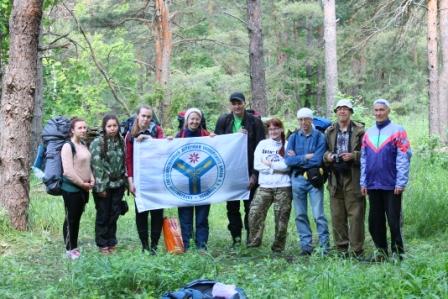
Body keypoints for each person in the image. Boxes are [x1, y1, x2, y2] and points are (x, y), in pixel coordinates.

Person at [361, 99, 411, 261]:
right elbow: (363, 158)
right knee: (375, 222)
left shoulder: (398, 131)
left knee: (393, 220)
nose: (378, 113)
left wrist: (401, 182)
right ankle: (381, 253)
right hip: (373, 184)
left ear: (388, 111)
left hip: (391, 184)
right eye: (376, 110)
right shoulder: (368, 133)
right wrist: (363, 181)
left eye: (382, 110)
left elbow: (404, 156)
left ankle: (398, 253)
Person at [214, 92, 265, 246]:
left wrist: (255, 175)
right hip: (230, 172)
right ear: (230, 105)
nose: (236, 106)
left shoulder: (255, 122)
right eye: (233, 103)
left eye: (239, 103)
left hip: (249, 171)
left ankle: (251, 238)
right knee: (232, 208)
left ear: (244, 104)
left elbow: (260, 149)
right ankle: (236, 238)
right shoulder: (224, 120)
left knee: (251, 208)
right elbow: (218, 144)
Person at [285, 108, 329, 256]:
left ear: (311, 120)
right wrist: (306, 157)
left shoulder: (319, 137)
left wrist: (299, 158)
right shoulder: (293, 138)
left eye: (306, 119)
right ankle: (306, 247)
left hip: (313, 179)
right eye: (300, 119)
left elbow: (317, 159)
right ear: (298, 121)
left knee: (319, 215)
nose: (304, 122)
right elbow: (288, 161)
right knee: (300, 215)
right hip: (297, 180)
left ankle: (324, 247)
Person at [324, 99, 365, 258]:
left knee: (356, 215)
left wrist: (353, 156)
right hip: (335, 177)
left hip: (353, 176)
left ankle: (357, 251)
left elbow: (369, 154)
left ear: (351, 112)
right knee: (337, 215)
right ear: (336, 112)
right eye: (339, 109)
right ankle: (341, 250)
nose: (342, 111)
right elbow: (323, 152)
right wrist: (329, 156)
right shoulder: (329, 131)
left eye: (346, 109)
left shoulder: (360, 131)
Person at [247, 118, 292, 253]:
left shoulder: (288, 144)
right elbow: (257, 165)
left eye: (276, 128)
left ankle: (278, 248)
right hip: (265, 186)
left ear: (281, 129)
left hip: (283, 186)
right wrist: (276, 168)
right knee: (254, 213)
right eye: (271, 129)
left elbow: (288, 165)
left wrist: (270, 164)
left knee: (282, 219)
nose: (273, 131)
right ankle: (254, 243)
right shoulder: (263, 144)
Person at [125, 105, 165, 254]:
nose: (146, 119)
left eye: (149, 116)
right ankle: (145, 246)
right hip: (139, 180)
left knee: (157, 213)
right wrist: (130, 181)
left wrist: (149, 138)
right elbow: (128, 159)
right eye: (143, 116)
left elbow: (163, 147)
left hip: (156, 178)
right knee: (141, 213)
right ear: (138, 116)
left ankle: (154, 246)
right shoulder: (130, 134)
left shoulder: (157, 130)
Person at [175, 108, 213, 251]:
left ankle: (201, 246)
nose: (194, 121)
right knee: (185, 218)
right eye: (192, 118)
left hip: (204, 185)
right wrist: (168, 142)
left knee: (202, 218)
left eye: (197, 119)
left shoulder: (208, 136)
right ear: (186, 120)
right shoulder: (179, 136)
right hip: (184, 186)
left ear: (200, 120)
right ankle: (187, 245)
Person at [90, 114, 127, 254]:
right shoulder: (97, 143)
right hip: (104, 186)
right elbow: (96, 166)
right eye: (109, 126)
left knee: (114, 214)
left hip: (118, 185)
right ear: (104, 127)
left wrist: (125, 184)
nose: (112, 128)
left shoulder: (121, 141)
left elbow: (124, 162)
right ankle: (102, 243)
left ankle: (112, 241)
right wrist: (100, 187)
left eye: (115, 126)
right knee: (103, 214)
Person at [61, 117, 94, 260]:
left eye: (84, 127)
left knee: (76, 218)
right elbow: (68, 171)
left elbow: (87, 165)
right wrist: (82, 184)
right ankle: (70, 249)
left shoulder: (84, 145)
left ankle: (74, 247)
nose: (83, 130)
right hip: (71, 189)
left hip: (83, 188)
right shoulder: (68, 146)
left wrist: (92, 179)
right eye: (79, 128)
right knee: (71, 219)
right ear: (72, 130)